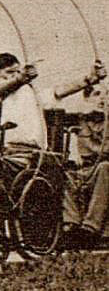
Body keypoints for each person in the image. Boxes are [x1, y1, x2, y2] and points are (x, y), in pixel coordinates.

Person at [63, 81, 109, 244]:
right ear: (87, 98)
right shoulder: (82, 120)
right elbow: (86, 148)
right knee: (65, 174)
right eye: (96, 94)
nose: (103, 98)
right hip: (87, 168)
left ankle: (91, 227)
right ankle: (72, 224)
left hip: (104, 166)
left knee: (105, 168)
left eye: (106, 94)